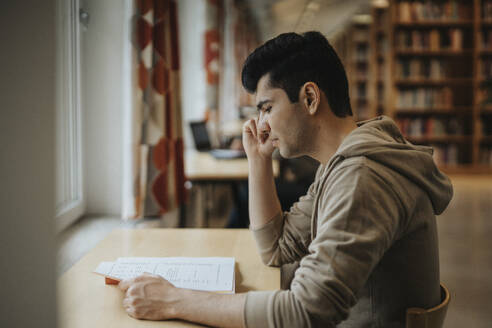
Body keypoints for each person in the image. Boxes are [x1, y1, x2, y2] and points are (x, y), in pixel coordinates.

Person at [118, 31, 453, 327]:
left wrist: (175, 300)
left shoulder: (362, 177)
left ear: (309, 98)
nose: (261, 124)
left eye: (266, 108)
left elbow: (306, 313)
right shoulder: (343, 164)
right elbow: (277, 248)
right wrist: (259, 162)